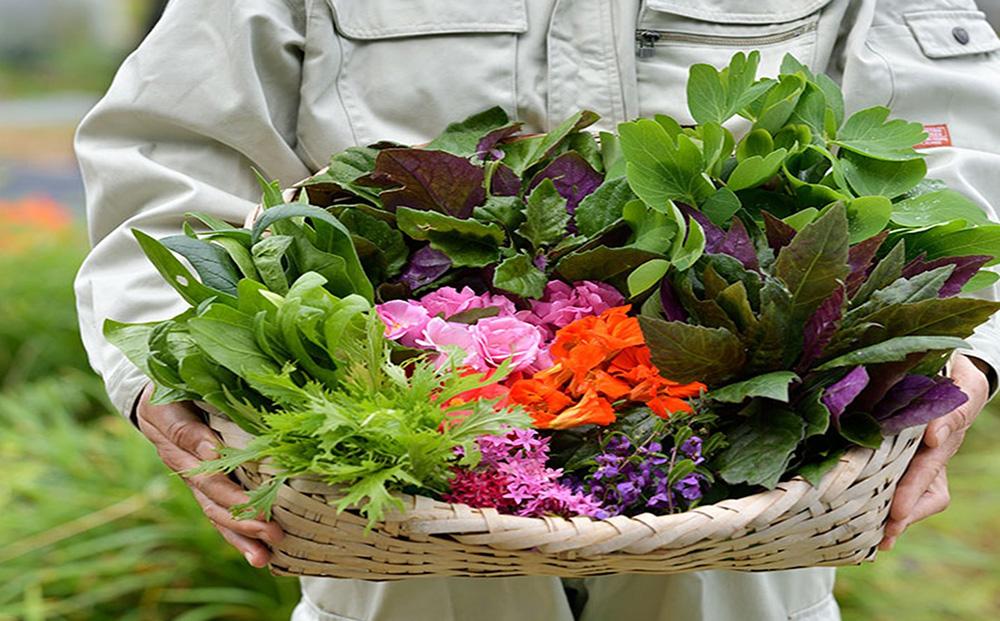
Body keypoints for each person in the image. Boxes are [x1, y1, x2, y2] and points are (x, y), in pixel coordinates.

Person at [73, 1, 1000, 619]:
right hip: (396, 526)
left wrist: (957, 362)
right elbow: (167, 155)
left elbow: (950, 158)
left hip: (750, 524)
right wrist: (166, 381)